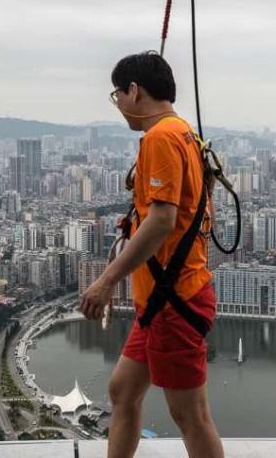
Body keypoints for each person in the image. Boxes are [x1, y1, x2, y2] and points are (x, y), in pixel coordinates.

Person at [80, 51, 224, 458]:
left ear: (134, 90)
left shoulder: (161, 136)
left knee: (190, 416)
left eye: (118, 96)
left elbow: (162, 220)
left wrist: (107, 280)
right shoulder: (184, 133)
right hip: (161, 298)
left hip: (173, 299)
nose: (119, 106)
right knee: (123, 391)